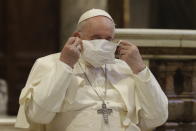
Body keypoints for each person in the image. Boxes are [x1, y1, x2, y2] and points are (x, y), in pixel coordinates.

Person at [15, 9, 168, 131]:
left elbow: (158, 118)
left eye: (108, 39)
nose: (103, 43)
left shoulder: (126, 68)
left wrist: (140, 68)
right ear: (77, 36)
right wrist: (65, 65)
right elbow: (39, 116)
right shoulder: (48, 64)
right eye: (95, 38)